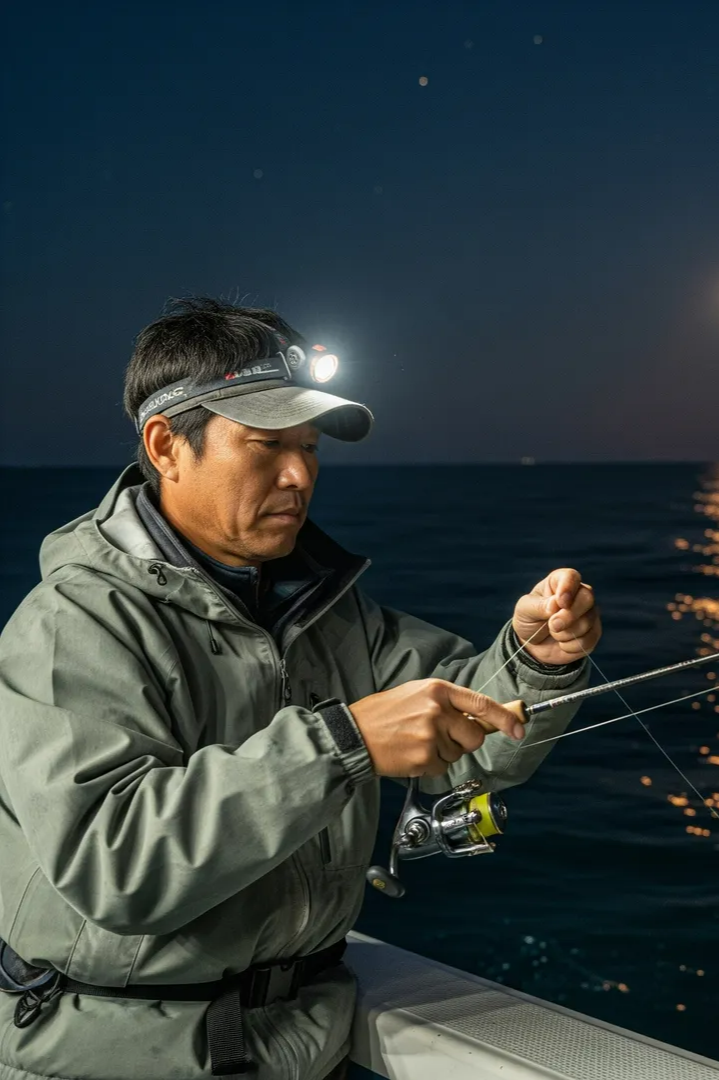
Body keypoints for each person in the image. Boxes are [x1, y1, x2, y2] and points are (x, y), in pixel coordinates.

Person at [0, 297, 602, 1080]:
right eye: (267, 445)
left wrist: (534, 660)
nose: (300, 475)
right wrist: (344, 744)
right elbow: (115, 864)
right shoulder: (70, 624)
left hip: (303, 1047)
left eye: (310, 448)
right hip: (111, 1060)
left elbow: (467, 732)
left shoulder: (325, 606)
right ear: (166, 446)